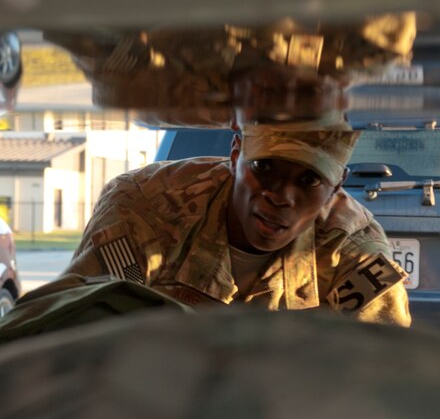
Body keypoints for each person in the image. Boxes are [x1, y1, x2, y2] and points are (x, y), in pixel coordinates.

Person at [53, 124, 411, 326]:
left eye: (309, 181)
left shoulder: (350, 251)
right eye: (264, 168)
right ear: (236, 155)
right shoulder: (147, 208)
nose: (280, 196)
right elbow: (77, 327)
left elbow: (387, 382)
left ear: (336, 186)